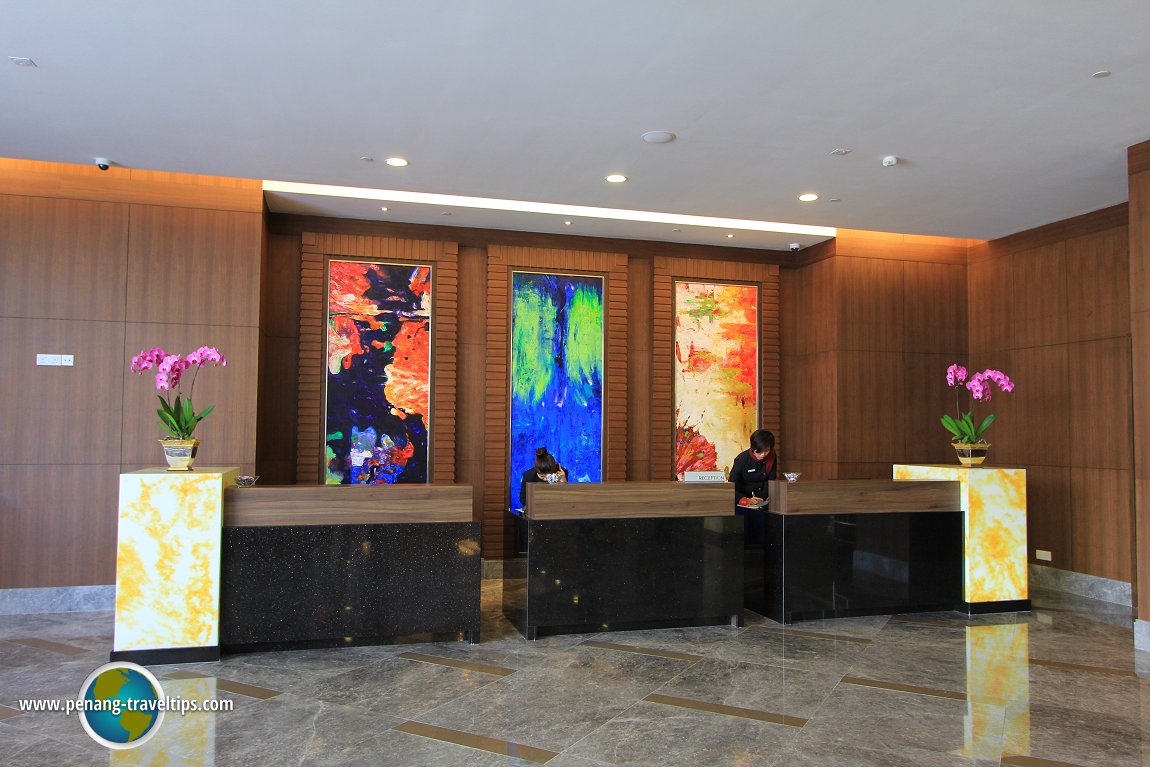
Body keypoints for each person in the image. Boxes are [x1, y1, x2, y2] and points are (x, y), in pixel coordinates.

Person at [729, 429, 777, 508]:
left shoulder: (772, 456)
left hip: (763, 501)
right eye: (759, 452)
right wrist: (747, 500)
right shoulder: (741, 459)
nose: (763, 455)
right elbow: (731, 485)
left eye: (766, 451)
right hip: (744, 501)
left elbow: (771, 480)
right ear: (752, 448)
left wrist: (763, 498)